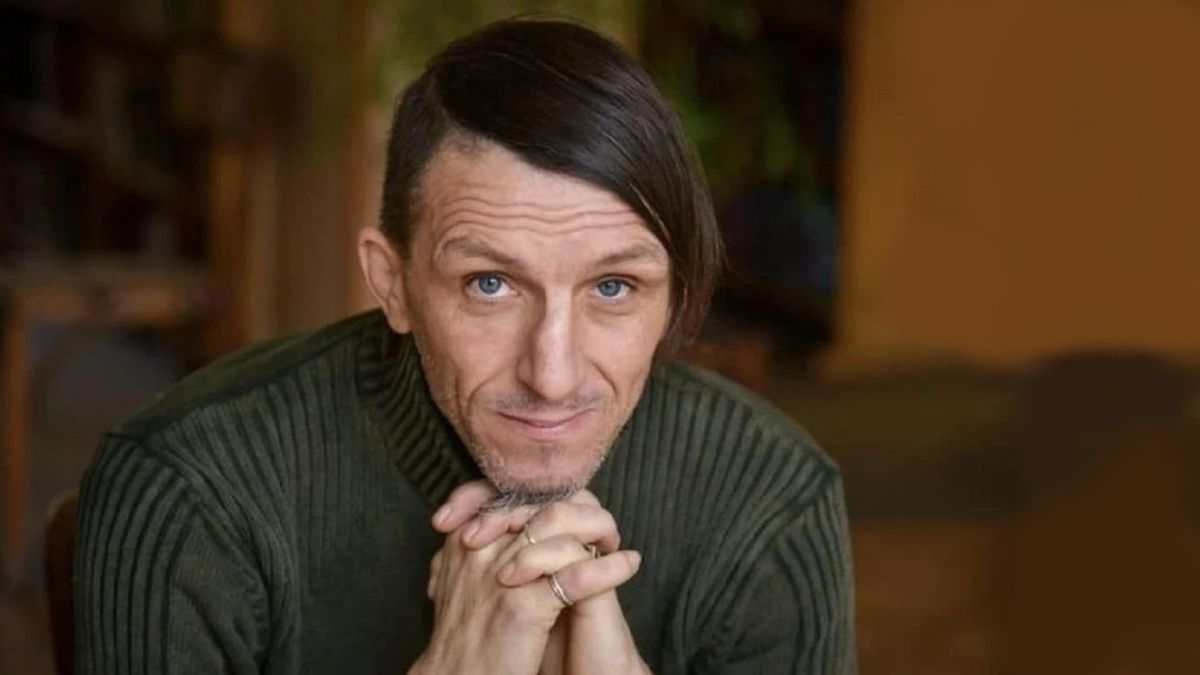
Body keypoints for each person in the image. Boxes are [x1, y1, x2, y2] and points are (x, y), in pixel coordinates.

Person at [75, 17, 855, 675]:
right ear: (392, 283)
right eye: (491, 284)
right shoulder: (188, 488)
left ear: (676, 294)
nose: (552, 375)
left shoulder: (770, 499)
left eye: (614, 287)